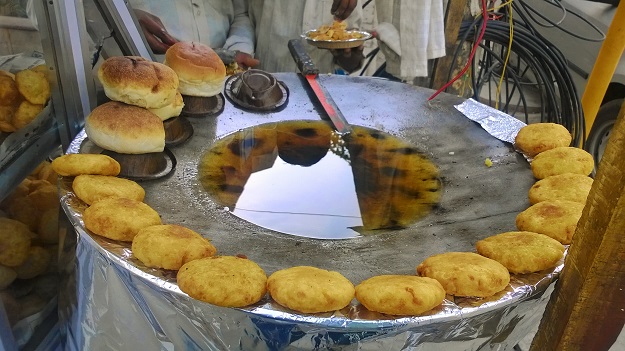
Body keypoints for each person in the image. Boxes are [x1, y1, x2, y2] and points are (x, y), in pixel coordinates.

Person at [130, 0, 260, 69]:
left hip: (222, 76)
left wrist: (237, 49)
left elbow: (241, 13)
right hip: (149, 77)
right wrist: (126, 18)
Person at [248, 0, 365, 73]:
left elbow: (350, 59)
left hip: (320, 90)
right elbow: (243, 16)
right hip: (266, 81)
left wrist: (349, 56)